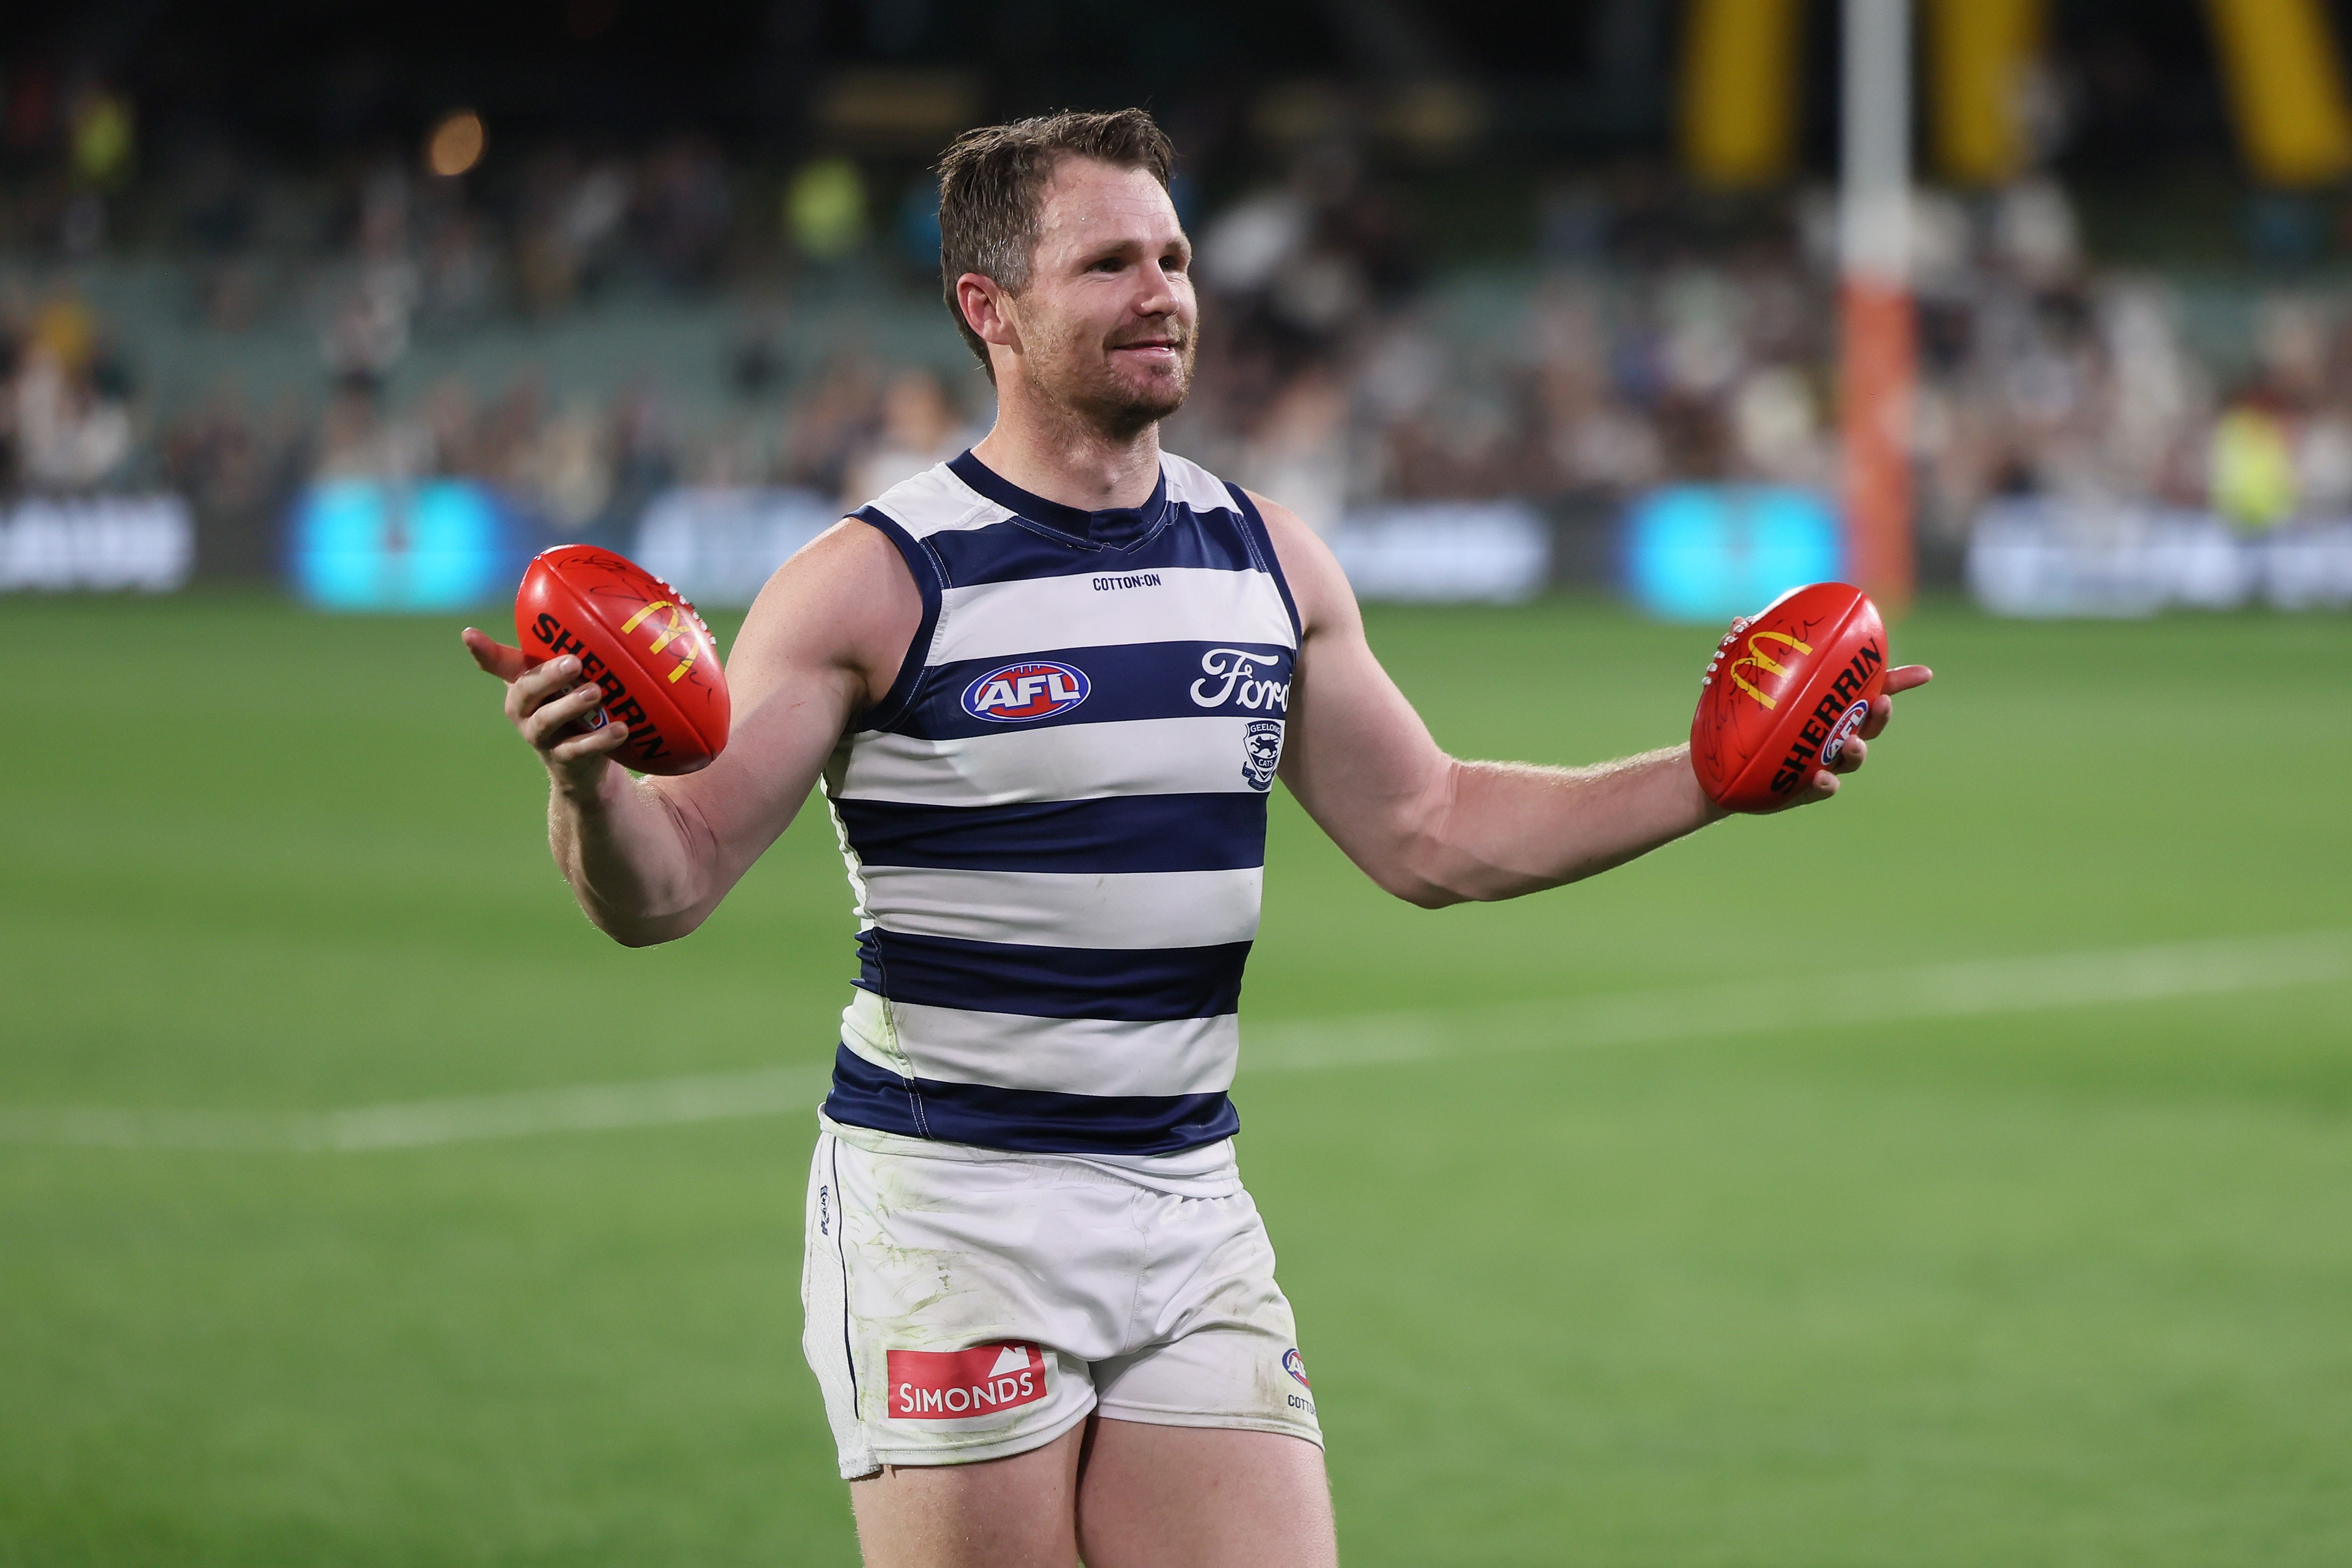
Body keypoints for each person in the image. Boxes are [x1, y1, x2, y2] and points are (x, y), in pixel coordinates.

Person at [463, 109, 1930, 1568]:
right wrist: (588, 787)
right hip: (952, 1213)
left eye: (1172, 257)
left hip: (1187, 1203)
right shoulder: (872, 583)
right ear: (990, 308)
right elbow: (673, 881)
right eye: (1108, 264)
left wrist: (1710, 779)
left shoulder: (1268, 558)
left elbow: (1431, 829)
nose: (1161, 292)